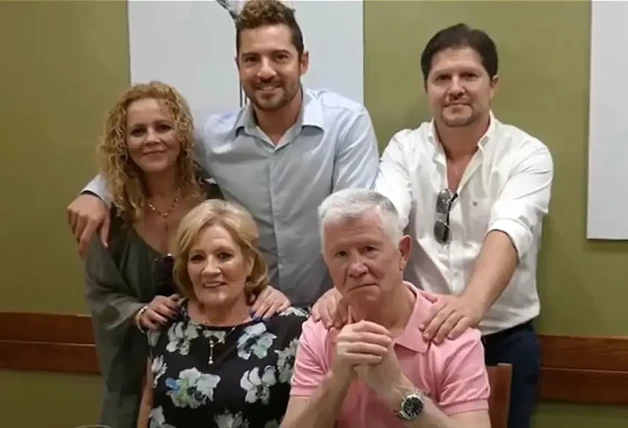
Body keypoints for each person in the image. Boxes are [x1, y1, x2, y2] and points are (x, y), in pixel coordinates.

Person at [66, 0, 379, 320]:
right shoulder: (215, 138)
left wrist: (338, 294)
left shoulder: (345, 124)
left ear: (303, 62)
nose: (265, 71)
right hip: (254, 317)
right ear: (238, 65)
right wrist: (97, 192)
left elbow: (354, 221)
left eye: (279, 57)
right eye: (252, 59)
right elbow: (157, 149)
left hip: (333, 310)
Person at [374, 24, 554, 428]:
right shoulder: (404, 149)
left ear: (493, 85)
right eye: (442, 78)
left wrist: (472, 305)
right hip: (421, 339)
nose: (455, 88)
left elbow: (511, 229)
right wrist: (351, 287)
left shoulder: (527, 154)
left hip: (502, 339)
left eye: (468, 76)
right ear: (427, 88)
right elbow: (383, 220)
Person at [83, 81, 289, 428]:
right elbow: (100, 291)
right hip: (133, 363)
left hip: (212, 360)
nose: (151, 139)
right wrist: (138, 311)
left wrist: (265, 289)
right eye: (138, 131)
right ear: (124, 143)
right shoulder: (110, 214)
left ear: (181, 135)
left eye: (162, 127)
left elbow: (241, 262)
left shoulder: (215, 196)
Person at [281, 189, 491, 428]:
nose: (356, 268)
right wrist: (337, 379)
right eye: (340, 254)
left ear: (402, 253)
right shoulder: (320, 328)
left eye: (369, 249)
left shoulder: (451, 332)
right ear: (326, 262)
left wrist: (397, 391)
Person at [137, 199, 309, 428]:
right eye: (197, 258)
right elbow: (149, 403)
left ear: (249, 262)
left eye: (224, 255)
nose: (209, 270)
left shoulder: (290, 329)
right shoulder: (166, 320)